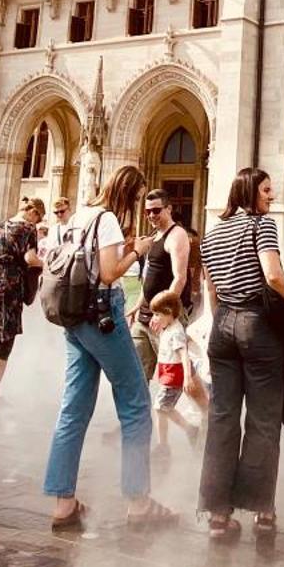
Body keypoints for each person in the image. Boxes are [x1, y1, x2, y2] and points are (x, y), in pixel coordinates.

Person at [43, 166, 175, 530]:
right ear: (129, 195)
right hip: (102, 316)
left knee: (73, 408)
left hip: (73, 318)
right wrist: (138, 251)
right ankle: (138, 502)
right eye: (138, 200)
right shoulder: (107, 219)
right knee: (135, 404)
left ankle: (63, 503)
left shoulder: (78, 215)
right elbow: (108, 273)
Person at [199, 167, 284, 539]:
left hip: (222, 322)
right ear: (250, 193)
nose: (271, 196)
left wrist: (222, 325)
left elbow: (210, 290)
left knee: (222, 419)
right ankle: (262, 508)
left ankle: (218, 514)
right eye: (267, 190)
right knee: (262, 419)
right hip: (256, 324)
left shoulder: (212, 233)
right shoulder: (262, 225)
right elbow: (272, 274)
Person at [0, 198, 45, 414]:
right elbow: (29, 257)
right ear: (33, 212)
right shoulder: (27, 228)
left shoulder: (1, 225)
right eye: (39, 217)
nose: (38, 221)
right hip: (9, 284)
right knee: (5, 343)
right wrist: (47, 264)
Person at [131, 187, 193, 380]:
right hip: (144, 317)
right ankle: (140, 410)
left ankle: (198, 409)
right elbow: (150, 275)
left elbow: (180, 278)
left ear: (169, 209)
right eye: (147, 211)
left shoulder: (177, 235)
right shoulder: (154, 235)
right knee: (137, 376)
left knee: (174, 379)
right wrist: (137, 306)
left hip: (166, 317)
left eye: (156, 210)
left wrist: (164, 314)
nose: (151, 215)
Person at [145, 290, 200, 451]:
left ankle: (167, 443)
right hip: (168, 373)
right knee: (162, 407)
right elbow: (165, 351)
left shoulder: (176, 331)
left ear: (168, 313)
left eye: (156, 314)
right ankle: (184, 432)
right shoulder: (167, 328)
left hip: (174, 376)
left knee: (160, 407)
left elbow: (183, 354)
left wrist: (187, 377)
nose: (154, 318)